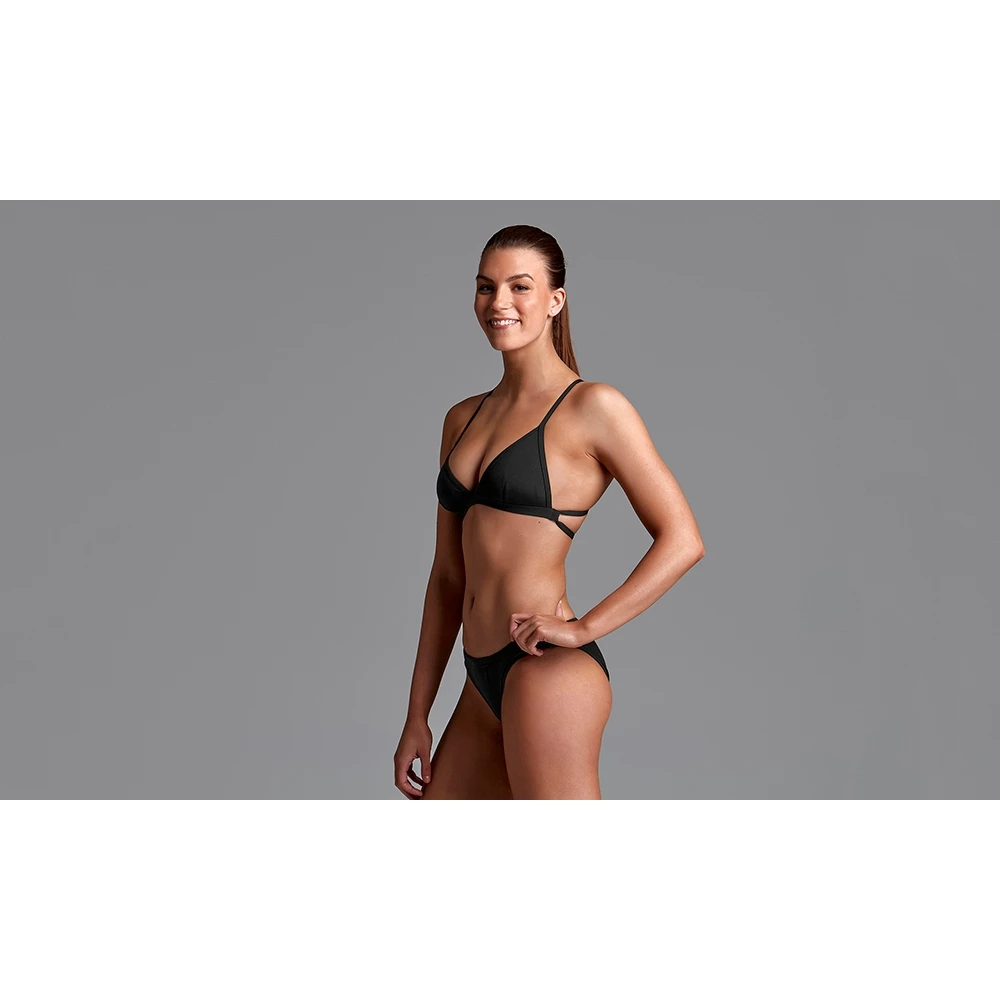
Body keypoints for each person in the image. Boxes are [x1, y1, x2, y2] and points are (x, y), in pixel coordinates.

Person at [393, 225, 705, 799]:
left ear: (555, 300)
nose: (499, 303)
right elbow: (446, 577)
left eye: (520, 287)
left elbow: (683, 539)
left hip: (545, 671)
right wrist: (418, 713)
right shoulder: (461, 419)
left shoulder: (593, 408)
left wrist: (585, 628)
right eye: (486, 287)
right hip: (477, 679)